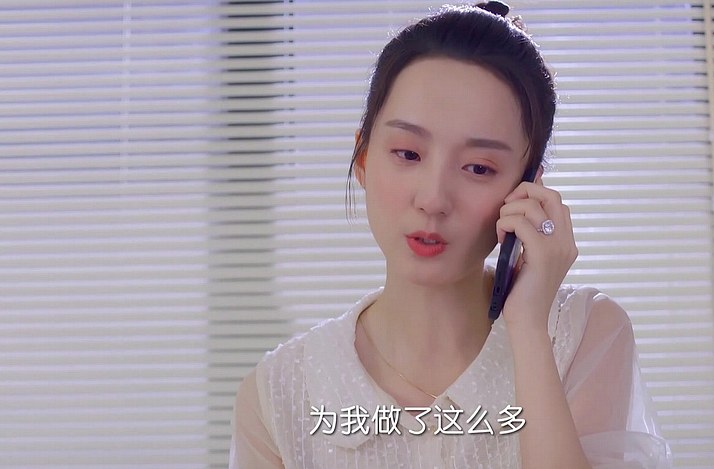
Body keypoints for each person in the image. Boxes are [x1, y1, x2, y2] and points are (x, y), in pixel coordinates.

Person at [229, 2, 671, 468]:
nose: (434, 199)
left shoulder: (583, 334)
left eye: (478, 168)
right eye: (408, 154)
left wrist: (527, 329)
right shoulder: (278, 396)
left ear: (527, 189)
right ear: (363, 159)